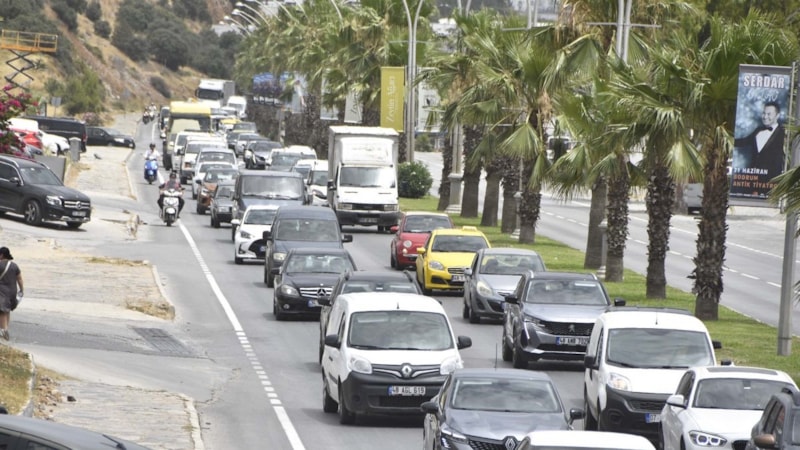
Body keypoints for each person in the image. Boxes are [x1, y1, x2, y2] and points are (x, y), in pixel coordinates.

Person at [734, 101, 786, 180]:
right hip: (753, 178)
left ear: (777, 116)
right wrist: (728, 139)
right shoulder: (758, 130)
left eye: (769, 114)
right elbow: (744, 142)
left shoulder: (783, 133)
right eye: (764, 113)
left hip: (771, 180)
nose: (765, 117)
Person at [0, 247, 23, 341]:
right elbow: (20, 279)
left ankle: (3, 331)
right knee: (7, 310)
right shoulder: (15, 266)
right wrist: (21, 290)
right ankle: (6, 328)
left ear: (1, 255)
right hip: (13, 291)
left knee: (1, 311)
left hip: (2, 291)